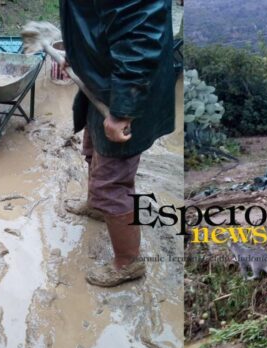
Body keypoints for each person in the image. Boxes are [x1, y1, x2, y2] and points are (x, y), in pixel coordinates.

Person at [59, 0, 176, 287]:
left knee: (112, 181)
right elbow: (95, 17)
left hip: (124, 89)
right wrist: (76, 54)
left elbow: (140, 38)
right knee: (93, 146)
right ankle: (97, 207)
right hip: (104, 80)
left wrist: (123, 109)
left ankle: (128, 262)